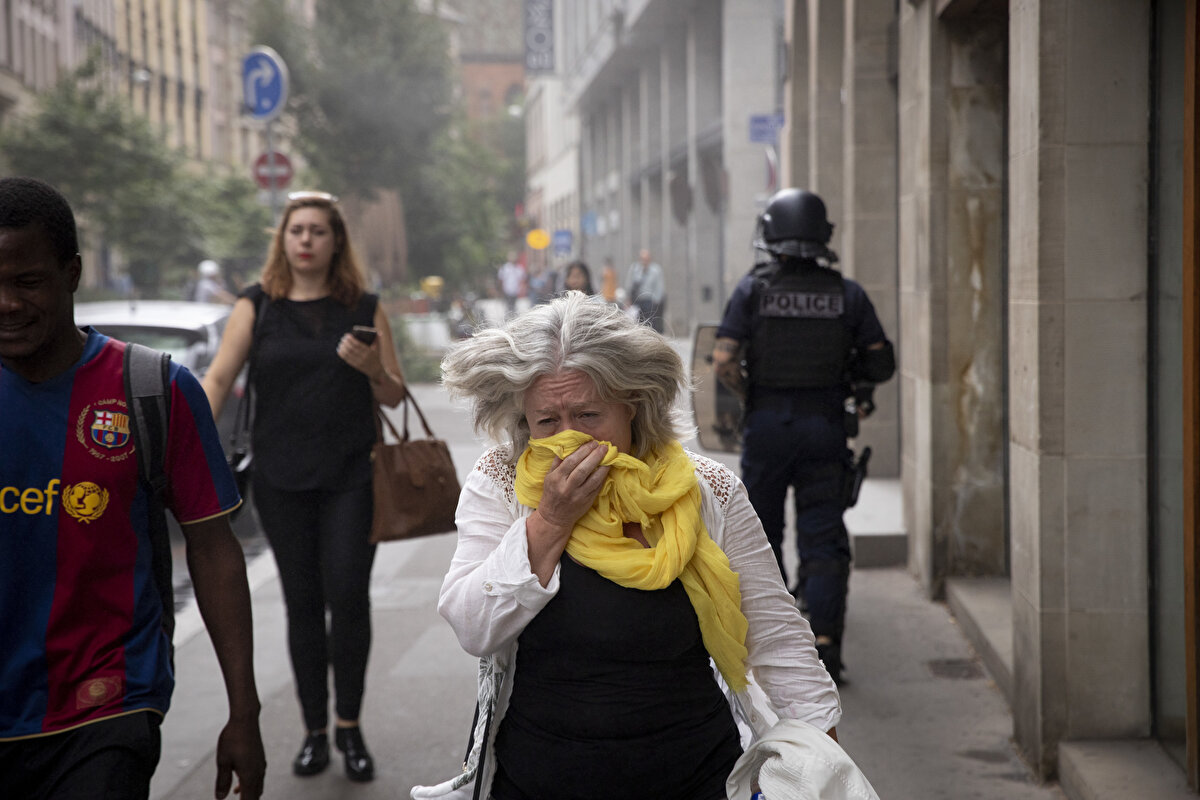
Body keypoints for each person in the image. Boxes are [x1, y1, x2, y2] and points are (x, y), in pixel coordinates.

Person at [415, 292, 841, 800]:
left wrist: (826, 763)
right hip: (540, 777)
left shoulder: (707, 491)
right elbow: (471, 625)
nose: (568, 438)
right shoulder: (503, 483)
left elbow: (778, 638)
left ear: (633, 406)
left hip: (697, 775)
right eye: (547, 421)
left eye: (589, 415)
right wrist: (550, 521)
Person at [0, 177, 266, 799]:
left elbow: (213, 548)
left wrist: (244, 711)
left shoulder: (153, 389)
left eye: (27, 281)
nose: (7, 302)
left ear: (71, 273)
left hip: (108, 704)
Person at [202, 190, 407, 783]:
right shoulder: (257, 305)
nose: (307, 240)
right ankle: (314, 731)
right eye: (298, 231)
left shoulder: (364, 306)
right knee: (300, 604)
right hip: (280, 478)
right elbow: (218, 376)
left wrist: (373, 370)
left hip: (350, 475)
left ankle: (350, 725)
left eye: (318, 231)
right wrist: (187, 441)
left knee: (347, 597)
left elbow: (393, 394)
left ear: (335, 241)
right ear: (284, 240)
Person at [712, 188, 895, 685]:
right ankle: (826, 647)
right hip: (824, 428)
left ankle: (760, 642)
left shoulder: (753, 290)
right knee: (823, 537)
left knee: (760, 534)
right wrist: (853, 381)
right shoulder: (847, 294)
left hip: (768, 423)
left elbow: (724, 360)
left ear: (771, 234)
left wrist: (753, 395)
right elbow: (881, 361)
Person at [625, 247, 666, 333]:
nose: (644, 261)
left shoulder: (655, 270)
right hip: (636, 300)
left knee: (649, 323)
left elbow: (659, 287)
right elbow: (630, 284)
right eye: (642, 259)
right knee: (636, 323)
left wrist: (656, 301)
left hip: (649, 301)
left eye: (646, 259)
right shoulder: (635, 269)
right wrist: (628, 298)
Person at [496, 251, 526, 316]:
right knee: (508, 307)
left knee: (513, 307)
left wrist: (521, 289)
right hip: (507, 290)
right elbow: (501, 280)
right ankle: (509, 318)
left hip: (515, 290)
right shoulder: (505, 268)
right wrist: (500, 291)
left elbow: (522, 280)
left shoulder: (519, 268)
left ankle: (512, 317)